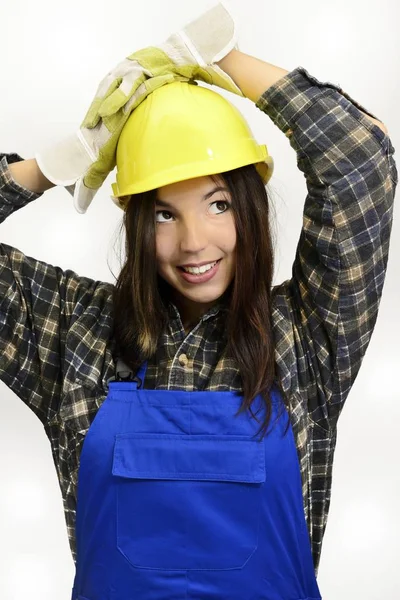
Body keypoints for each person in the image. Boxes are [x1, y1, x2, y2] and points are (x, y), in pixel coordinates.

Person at [2, 3, 396, 599]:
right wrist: (59, 161)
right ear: (137, 223)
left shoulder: (307, 337)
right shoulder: (74, 334)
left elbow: (362, 162)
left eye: (219, 205)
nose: (193, 243)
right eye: (164, 213)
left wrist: (217, 58)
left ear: (251, 209)